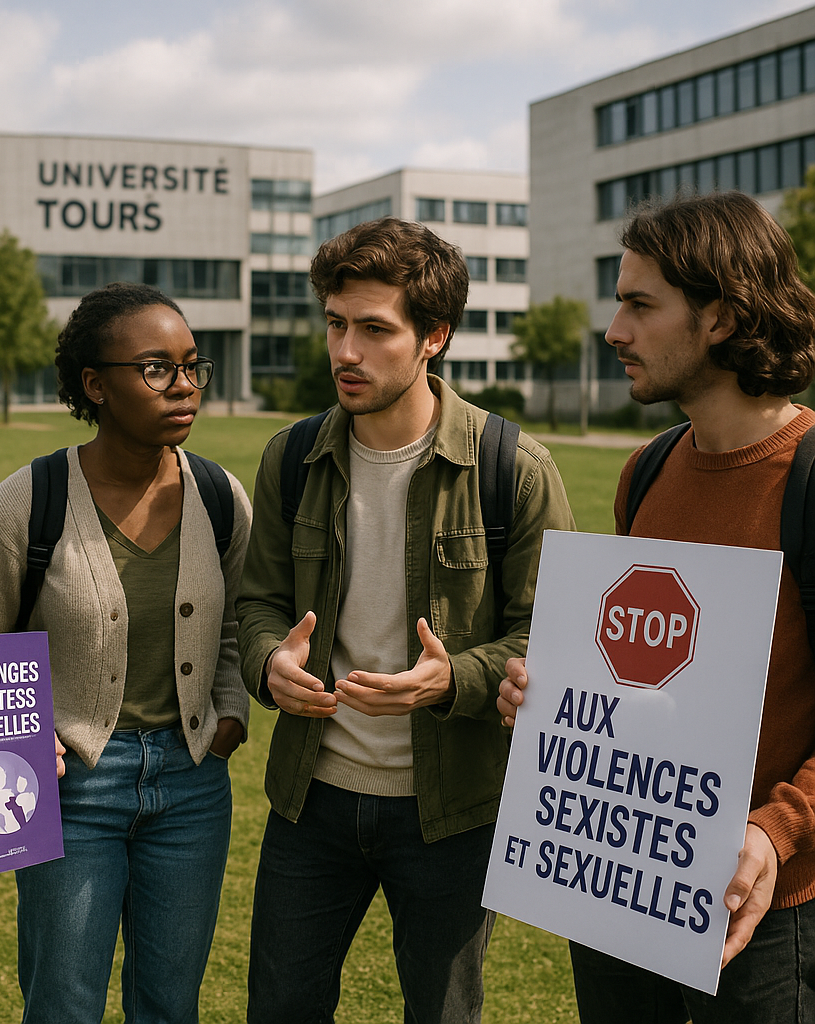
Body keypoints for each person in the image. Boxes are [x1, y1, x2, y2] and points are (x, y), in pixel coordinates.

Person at [236, 217, 576, 1024]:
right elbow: (258, 605)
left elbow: (558, 639)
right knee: (278, 1008)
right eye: (335, 324)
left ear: (435, 337)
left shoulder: (512, 468)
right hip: (309, 801)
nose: (345, 351)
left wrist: (450, 679)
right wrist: (267, 665)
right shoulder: (290, 458)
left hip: (453, 811)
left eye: (374, 330)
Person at [498, 190, 815, 1022]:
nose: (614, 331)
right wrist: (552, 700)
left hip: (764, 914)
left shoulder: (809, 479)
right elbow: (647, 683)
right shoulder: (646, 471)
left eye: (640, 305)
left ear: (724, 317)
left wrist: (777, 831)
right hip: (619, 888)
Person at [0, 282, 251, 1024]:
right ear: (95, 385)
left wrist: (228, 711)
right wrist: (24, 754)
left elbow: (232, 628)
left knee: (171, 1002)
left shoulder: (222, 498)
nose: (185, 385)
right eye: (157, 368)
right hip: (71, 793)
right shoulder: (25, 502)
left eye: (194, 365)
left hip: (193, 787)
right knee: (63, 1001)